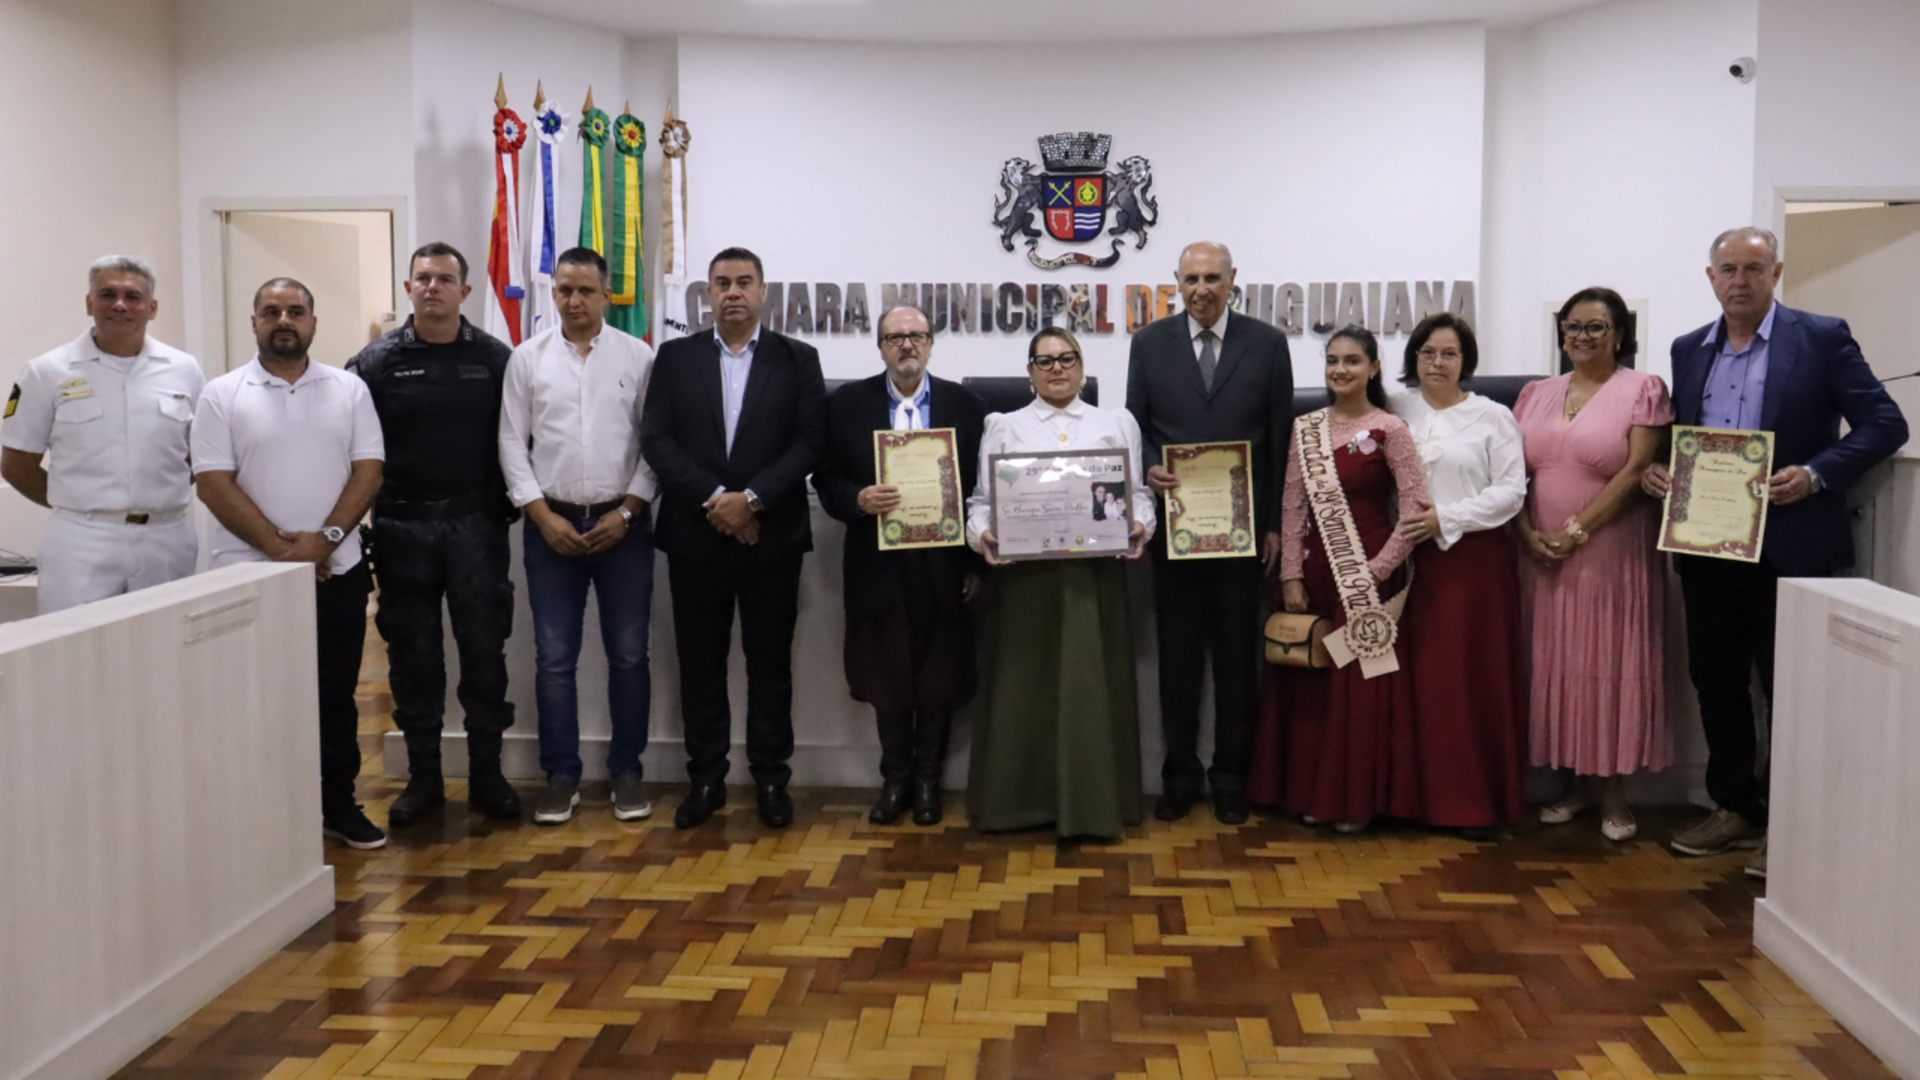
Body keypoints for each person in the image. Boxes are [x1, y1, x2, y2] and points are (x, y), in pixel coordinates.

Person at [1648, 227, 1907, 877]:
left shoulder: (1820, 337)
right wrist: (1660, 473)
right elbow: (1682, 437)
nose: (1740, 280)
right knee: (1717, 681)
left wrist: (1817, 473)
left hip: (1791, 543)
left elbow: (1885, 424)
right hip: (1708, 543)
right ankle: (1736, 809)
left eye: (1754, 268)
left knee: (1790, 685)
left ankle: (1792, 825)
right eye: (1728, 269)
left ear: (1777, 272)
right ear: (1710, 277)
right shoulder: (1688, 350)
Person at [192, 278, 387, 849]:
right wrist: (284, 553)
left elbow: (369, 471)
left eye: (295, 311)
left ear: (313, 322)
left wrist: (323, 542)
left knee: (334, 695)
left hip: (340, 572)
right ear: (253, 321)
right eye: (271, 311)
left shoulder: (349, 389)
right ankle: (261, 811)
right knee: (252, 697)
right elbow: (211, 482)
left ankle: (338, 805)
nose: (284, 320)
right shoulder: (221, 395)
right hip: (248, 576)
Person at [641, 247, 826, 830]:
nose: (733, 293)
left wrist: (750, 501)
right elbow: (657, 440)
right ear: (708, 293)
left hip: (771, 539)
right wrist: (717, 500)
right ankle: (706, 779)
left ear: (764, 291)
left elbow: (809, 443)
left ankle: (771, 779)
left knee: (770, 665)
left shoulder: (799, 359)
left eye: (744, 282)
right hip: (696, 539)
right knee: (700, 666)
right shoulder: (674, 358)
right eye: (722, 283)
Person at [347, 242, 521, 828]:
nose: (433, 288)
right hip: (402, 527)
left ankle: (487, 775)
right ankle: (423, 779)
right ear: (408, 287)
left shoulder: (497, 359)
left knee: (484, 655)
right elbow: (351, 448)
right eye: (422, 278)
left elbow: (521, 439)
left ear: (465, 292)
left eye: (445, 279)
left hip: (476, 525)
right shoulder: (374, 363)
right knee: (413, 659)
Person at [1125, 241, 1293, 825]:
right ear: (1177, 282)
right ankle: (1179, 775)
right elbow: (1136, 426)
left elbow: (1278, 440)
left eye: (1212, 278)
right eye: (1191, 278)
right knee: (1178, 661)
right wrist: (1148, 463)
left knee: (1236, 660)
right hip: (1177, 531)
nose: (1201, 289)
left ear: (1232, 280)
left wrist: (1273, 522)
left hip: (1244, 537)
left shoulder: (1267, 344)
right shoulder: (1148, 344)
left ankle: (1230, 776)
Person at [967, 327, 1152, 841]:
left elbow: (1138, 496)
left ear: (1083, 368)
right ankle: (1017, 805)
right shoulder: (1004, 427)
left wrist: (1141, 524)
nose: (1057, 369)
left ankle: (1093, 807)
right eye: (1044, 361)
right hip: (1024, 584)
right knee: (1023, 691)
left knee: (1090, 692)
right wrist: (982, 534)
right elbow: (981, 502)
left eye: (1067, 359)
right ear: (1029, 372)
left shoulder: (1114, 423)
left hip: (1093, 582)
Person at [498, 247, 659, 826]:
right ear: (554, 293)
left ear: (606, 293)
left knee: (628, 656)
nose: (574, 301)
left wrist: (630, 511)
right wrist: (542, 516)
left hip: (625, 528)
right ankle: (561, 775)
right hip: (552, 529)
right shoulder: (527, 359)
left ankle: (627, 770)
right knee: (554, 660)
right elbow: (512, 444)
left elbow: (653, 443)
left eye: (586, 290)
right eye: (564, 290)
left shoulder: (638, 357)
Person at [812, 303, 989, 825]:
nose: (907, 346)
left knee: (940, 673)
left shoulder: (966, 405)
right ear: (881, 347)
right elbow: (825, 478)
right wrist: (857, 499)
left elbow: (979, 491)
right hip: (876, 561)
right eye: (895, 338)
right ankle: (895, 779)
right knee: (886, 673)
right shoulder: (846, 403)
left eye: (916, 337)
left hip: (944, 565)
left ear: (931, 344)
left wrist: (975, 566)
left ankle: (929, 780)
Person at [1250, 325, 1427, 834]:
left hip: (1368, 574)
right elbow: (1292, 505)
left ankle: (1354, 801)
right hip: (1314, 574)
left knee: (1360, 687)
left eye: (1353, 360)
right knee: (1314, 686)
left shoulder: (1391, 429)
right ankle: (1307, 792)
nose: (1340, 370)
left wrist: (1376, 573)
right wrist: (1289, 575)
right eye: (1332, 361)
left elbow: (1414, 511)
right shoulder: (1305, 429)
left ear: (1373, 367)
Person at [1512, 287, 1672, 842]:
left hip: (1609, 550)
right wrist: (1527, 532)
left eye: (1596, 327)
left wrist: (1577, 530)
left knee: (1606, 662)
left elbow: (1635, 472)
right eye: (1572, 325)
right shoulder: (1536, 393)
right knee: (1554, 663)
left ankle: (1613, 793)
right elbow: (1513, 473)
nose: (1581, 336)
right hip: (1539, 553)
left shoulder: (1642, 389)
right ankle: (1572, 784)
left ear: (1620, 334)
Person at [1388, 314, 1528, 834]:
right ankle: (1408, 802)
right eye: (1427, 353)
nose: (1437, 363)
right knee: (1413, 685)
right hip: (1406, 564)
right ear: (1414, 359)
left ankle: (1471, 804)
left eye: (1449, 353)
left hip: (1473, 568)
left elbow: (1512, 491)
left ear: (1465, 360)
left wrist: (1447, 518)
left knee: (1468, 684)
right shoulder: (1397, 410)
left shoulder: (1493, 417)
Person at [2, 256, 205, 614]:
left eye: (133, 296)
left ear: (152, 307)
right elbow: (17, 462)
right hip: (81, 538)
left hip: (166, 535)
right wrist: (76, 502)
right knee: (75, 649)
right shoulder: (47, 371)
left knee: (166, 648)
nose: (121, 305)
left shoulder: (184, 370)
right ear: (89, 303)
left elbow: (199, 454)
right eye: (108, 294)